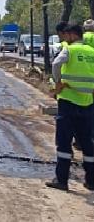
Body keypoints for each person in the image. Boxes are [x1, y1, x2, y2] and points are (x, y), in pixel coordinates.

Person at [45, 24, 94, 191]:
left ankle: (62, 180)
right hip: (88, 102)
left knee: (64, 143)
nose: (64, 38)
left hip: (68, 101)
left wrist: (58, 83)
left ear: (73, 35)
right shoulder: (92, 51)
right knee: (87, 143)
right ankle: (91, 181)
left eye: (66, 35)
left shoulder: (70, 50)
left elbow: (56, 64)